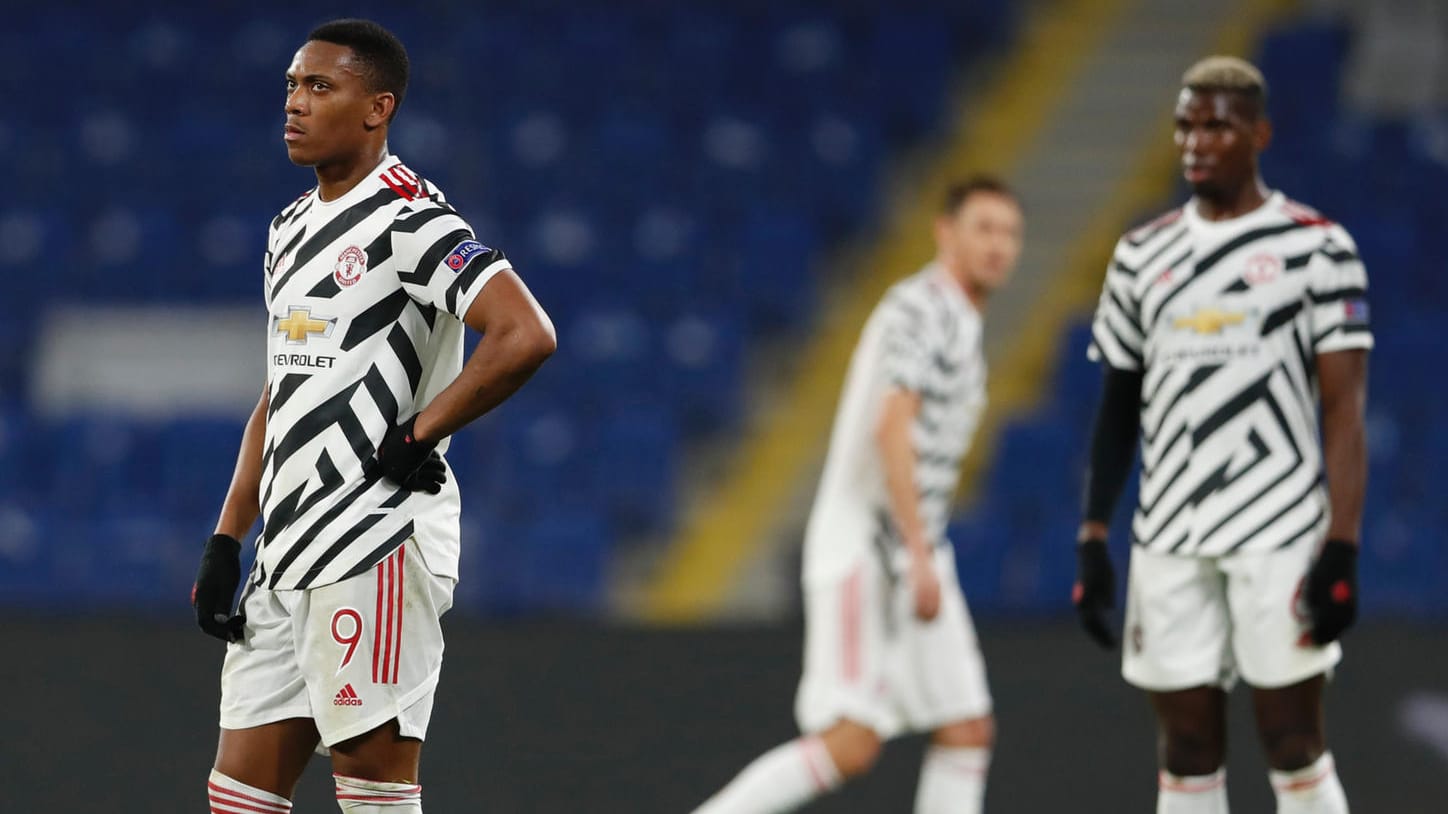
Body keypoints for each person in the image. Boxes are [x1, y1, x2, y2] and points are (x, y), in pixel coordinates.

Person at [190, 19, 556, 814]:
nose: (295, 102)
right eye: (292, 84)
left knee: (373, 796)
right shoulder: (287, 229)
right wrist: (228, 536)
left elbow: (525, 333)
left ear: (376, 108)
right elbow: (280, 391)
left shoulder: (413, 219)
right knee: (238, 797)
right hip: (285, 552)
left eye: (321, 87)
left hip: (374, 541)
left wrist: (421, 431)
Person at [1074, 56, 1370, 813]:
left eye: (1216, 126)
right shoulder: (1141, 255)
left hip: (1278, 531)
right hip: (1169, 533)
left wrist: (1341, 545)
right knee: (1188, 748)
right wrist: (1093, 533)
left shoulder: (1318, 247)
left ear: (1259, 134)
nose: (1196, 142)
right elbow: (1118, 404)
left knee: (1293, 740)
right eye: (1185, 126)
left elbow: (1344, 407)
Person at [692, 177, 1024, 814]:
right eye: (983, 228)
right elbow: (891, 426)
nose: (998, 245)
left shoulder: (957, 317)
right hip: (869, 546)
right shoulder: (921, 308)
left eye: (1009, 233)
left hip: (914, 547)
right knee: (850, 744)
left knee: (966, 728)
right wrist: (920, 553)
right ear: (945, 232)